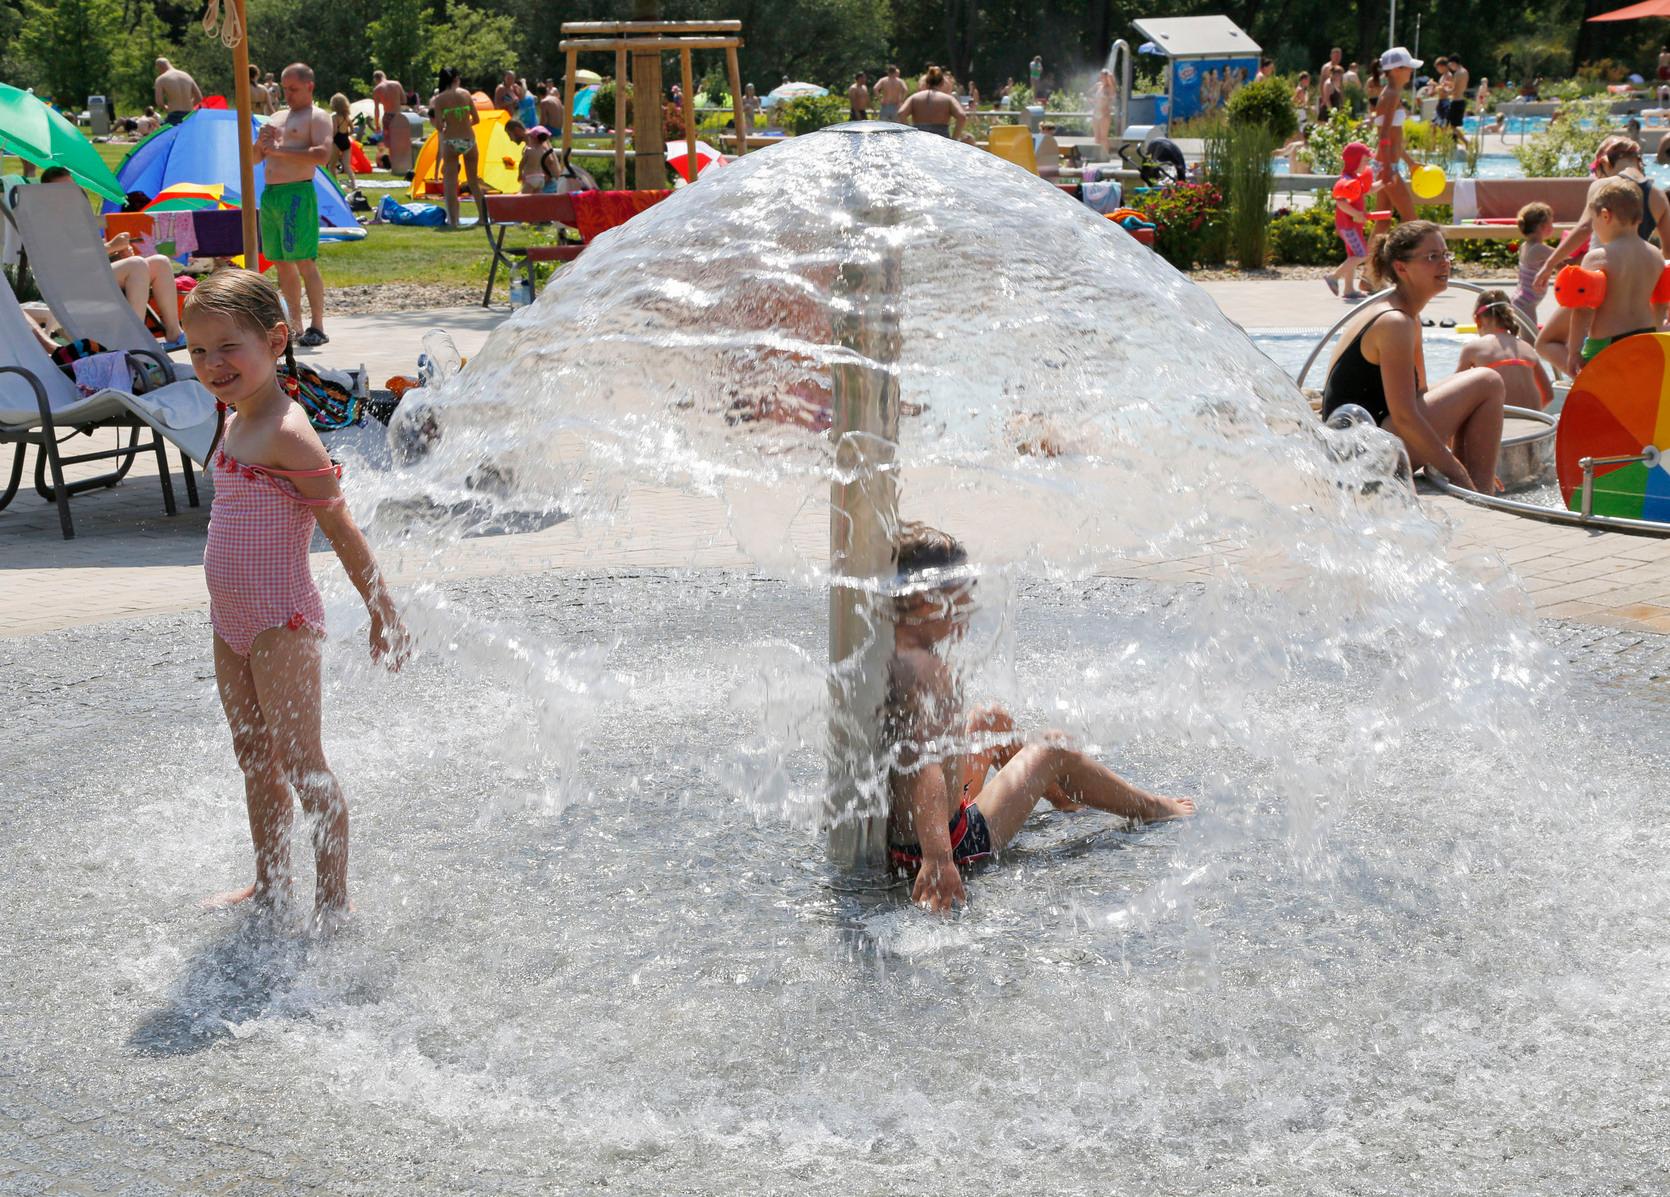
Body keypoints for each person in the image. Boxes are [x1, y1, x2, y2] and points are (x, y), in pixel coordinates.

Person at [182, 268, 407, 928]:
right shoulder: (235, 417)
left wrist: (380, 608)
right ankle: (270, 883)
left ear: (276, 340)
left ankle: (334, 899)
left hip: (282, 618)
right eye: (198, 350)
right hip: (231, 620)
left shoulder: (288, 431)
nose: (212, 364)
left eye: (228, 347)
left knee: (303, 762)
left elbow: (340, 526)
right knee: (254, 754)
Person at [883, 524, 1194, 913]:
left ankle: (1061, 796)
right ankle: (1150, 806)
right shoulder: (927, 670)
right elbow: (924, 762)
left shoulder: (893, 648)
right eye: (960, 599)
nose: (967, 611)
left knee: (988, 720)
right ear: (928, 600)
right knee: (1053, 747)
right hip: (956, 844)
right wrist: (939, 861)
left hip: (925, 829)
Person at [1321, 221, 1506, 492]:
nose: (1444, 264)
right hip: (1362, 457)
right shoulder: (1394, 322)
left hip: (1371, 440)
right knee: (1488, 381)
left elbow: (1420, 395)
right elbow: (1406, 415)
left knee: (1475, 381)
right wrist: (1457, 471)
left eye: (1445, 255)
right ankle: (1480, 492)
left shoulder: (1406, 315)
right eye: (1432, 257)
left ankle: (1478, 486)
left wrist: (1447, 455)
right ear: (1401, 267)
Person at [1534, 138, 1670, 370]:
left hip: (1606, 339)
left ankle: (1583, 381)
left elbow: (1584, 308)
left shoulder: (1603, 191)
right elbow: (1661, 293)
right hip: (1644, 333)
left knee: (1546, 343)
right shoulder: (1657, 201)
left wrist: (1574, 351)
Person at [41, 167, 186, 350]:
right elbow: (65, 259)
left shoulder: (75, 215)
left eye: (71, 188)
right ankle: (135, 338)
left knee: (160, 262)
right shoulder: (46, 221)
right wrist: (111, 247)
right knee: (136, 264)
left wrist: (117, 253)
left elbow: (91, 251)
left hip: (92, 274)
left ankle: (174, 331)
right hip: (72, 282)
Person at [254, 63, 332, 347]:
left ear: (309, 86)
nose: (288, 94)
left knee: (303, 260)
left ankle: (318, 325)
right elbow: (254, 159)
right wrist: (261, 143)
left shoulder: (318, 117)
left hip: (297, 194)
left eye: (293, 89)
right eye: (285, 88)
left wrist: (279, 151)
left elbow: (322, 154)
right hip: (272, 194)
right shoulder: (276, 116)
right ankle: (294, 325)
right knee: (281, 262)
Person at [1557, 178, 1668, 378]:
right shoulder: (1656, 256)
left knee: (1602, 404)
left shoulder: (1598, 257)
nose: (1594, 229)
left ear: (1605, 216)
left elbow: (1582, 311)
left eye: (1594, 221)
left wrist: (1573, 352)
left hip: (1607, 344)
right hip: (1646, 338)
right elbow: (1660, 306)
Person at [1459, 290, 1554, 410]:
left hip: (1499, 422)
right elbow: (1548, 395)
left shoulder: (1473, 349)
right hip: (1533, 422)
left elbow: (1455, 393)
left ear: (1477, 320)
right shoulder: (1527, 348)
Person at [430, 66, 484, 232]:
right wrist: (464, 124)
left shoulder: (439, 99)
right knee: (473, 181)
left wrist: (448, 125)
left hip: (450, 141)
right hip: (468, 139)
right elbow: (476, 119)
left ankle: (454, 221)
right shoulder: (466, 94)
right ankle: (483, 217)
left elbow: (439, 126)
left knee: (450, 183)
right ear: (456, 79)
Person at [1374, 47, 1423, 222]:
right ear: (1396, 70)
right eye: (1408, 67)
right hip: (1387, 166)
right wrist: (1388, 169)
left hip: (1385, 164)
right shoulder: (1392, 95)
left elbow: (1392, 137)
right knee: (1411, 219)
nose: (1411, 70)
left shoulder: (1390, 93)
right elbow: (1384, 136)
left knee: (1383, 222)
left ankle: (1370, 251)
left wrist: (1410, 162)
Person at [1328, 141, 1377, 301]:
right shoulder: (1346, 180)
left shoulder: (1356, 178)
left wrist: (1386, 182)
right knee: (1362, 254)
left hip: (1353, 226)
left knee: (1353, 255)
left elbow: (1368, 190)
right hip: (1348, 227)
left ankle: (1349, 289)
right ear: (1355, 161)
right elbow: (1340, 202)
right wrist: (1356, 213)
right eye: (1364, 161)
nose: (1367, 164)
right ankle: (1333, 277)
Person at [1514, 201, 1556, 330]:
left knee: (1524, 336)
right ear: (1543, 226)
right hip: (1527, 302)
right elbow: (1563, 258)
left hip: (1521, 299)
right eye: (1551, 222)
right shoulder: (1539, 249)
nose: (1553, 226)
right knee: (1531, 341)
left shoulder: (1526, 246)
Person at [897, 66, 966, 138]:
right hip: (941, 140)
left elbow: (901, 113)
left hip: (919, 138)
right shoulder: (948, 99)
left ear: (926, 81)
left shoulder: (914, 97)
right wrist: (954, 139)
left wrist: (909, 135)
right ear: (942, 82)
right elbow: (962, 117)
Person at [154, 58, 202, 126]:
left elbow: (159, 102)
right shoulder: (187, 76)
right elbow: (199, 97)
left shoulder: (161, 79)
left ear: (158, 67)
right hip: (189, 115)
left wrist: (166, 108)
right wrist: (189, 105)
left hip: (174, 116)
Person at [326, 93, 357, 190]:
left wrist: (328, 139)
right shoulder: (346, 116)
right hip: (345, 141)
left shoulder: (334, 116)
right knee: (347, 165)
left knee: (331, 165)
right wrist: (346, 134)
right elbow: (352, 130)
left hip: (337, 141)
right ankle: (354, 183)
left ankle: (335, 184)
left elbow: (334, 131)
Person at [1445, 53, 1470, 147]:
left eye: (1450, 65)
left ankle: (1465, 142)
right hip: (1461, 100)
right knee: (1453, 125)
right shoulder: (1465, 72)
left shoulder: (1457, 73)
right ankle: (1454, 143)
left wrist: (1446, 90)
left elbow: (1455, 90)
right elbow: (1461, 86)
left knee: (1450, 126)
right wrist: (1450, 84)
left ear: (1453, 63)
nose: (1450, 67)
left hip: (1456, 101)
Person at [1091, 68, 1115, 151]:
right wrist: (1092, 101)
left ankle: (1105, 154)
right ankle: (1097, 155)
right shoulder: (1098, 85)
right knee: (1096, 137)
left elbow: (1112, 90)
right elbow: (1088, 93)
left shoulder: (1110, 88)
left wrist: (1109, 76)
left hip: (1104, 114)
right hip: (1096, 112)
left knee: (1103, 137)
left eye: (1104, 76)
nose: (1102, 78)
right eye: (1101, 76)